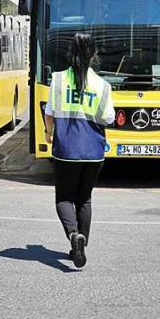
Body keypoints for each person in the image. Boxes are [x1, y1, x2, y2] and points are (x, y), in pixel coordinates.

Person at [43, 33, 115, 268]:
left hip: (65, 150)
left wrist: (49, 133)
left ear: (70, 53)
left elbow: (50, 112)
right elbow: (109, 118)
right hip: (94, 151)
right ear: (94, 55)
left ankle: (74, 236)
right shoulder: (102, 86)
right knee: (84, 198)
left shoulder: (58, 80)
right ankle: (81, 242)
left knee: (64, 197)